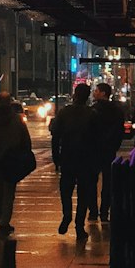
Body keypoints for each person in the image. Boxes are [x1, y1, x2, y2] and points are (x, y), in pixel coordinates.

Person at [49, 81, 99, 242]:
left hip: (68, 156)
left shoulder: (64, 113)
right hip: (86, 158)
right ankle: (79, 225)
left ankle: (67, 215)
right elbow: (98, 138)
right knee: (84, 193)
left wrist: (56, 157)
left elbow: (55, 135)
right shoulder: (92, 114)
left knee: (66, 190)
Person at [0, 91, 33, 235]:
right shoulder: (16, 120)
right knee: (9, 192)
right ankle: (4, 221)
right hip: (12, 160)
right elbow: (25, 140)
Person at [90, 82, 126, 221]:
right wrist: (113, 145)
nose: (95, 93)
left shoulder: (94, 110)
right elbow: (119, 131)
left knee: (92, 181)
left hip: (94, 150)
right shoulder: (116, 110)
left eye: (97, 91)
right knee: (108, 182)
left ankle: (93, 211)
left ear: (103, 93)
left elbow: (89, 130)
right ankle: (104, 211)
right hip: (109, 149)